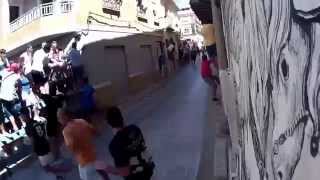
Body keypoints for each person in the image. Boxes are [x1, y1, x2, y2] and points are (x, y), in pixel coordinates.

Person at [95, 106, 154, 180]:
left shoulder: (115, 144)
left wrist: (106, 167)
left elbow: (124, 172)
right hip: (149, 170)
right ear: (121, 117)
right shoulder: (135, 128)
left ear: (108, 122)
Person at [58, 107, 103, 180]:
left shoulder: (66, 131)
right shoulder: (81, 121)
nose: (58, 120)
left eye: (59, 117)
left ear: (65, 117)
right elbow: (96, 132)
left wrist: (65, 149)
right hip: (92, 155)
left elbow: (71, 146)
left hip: (84, 160)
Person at [0, 63, 23, 131]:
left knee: (8, 111)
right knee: (16, 111)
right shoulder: (15, 76)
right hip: (12, 97)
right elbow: (19, 87)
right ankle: (23, 123)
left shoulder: (4, 74)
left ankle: (15, 126)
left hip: (3, 97)